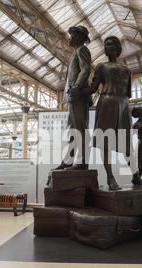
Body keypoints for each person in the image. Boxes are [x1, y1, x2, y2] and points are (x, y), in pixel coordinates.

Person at [77, 36, 132, 190]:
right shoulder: (101, 66)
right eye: (105, 45)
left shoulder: (127, 70)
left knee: (126, 141)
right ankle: (110, 177)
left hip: (123, 105)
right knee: (105, 141)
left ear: (117, 48)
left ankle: (135, 175)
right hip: (107, 103)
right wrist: (78, 90)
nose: (106, 47)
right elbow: (93, 88)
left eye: (109, 44)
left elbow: (128, 93)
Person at [55, 25, 92, 170]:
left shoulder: (82, 49)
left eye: (73, 35)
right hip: (73, 97)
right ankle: (69, 160)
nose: (70, 38)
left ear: (81, 38)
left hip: (78, 95)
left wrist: (76, 86)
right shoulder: (75, 52)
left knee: (80, 130)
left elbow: (86, 68)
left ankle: (82, 163)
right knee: (72, 130)